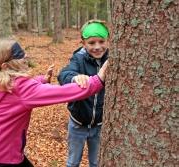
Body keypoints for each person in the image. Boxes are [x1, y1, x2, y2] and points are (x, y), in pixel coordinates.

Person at [0, 38, 108, 167]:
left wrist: (41, 80)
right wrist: (97, 81)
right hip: (2, 157)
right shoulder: (20, 89)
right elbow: (62, 92)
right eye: (20, 56)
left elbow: (21, 90)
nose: (26, 56)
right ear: (5, 66)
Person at [57, 20, 110, 167]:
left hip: (100, 125)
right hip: (77, 124)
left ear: (108, 40)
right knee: (73, 162)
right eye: (92, 43)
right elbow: (64, 75)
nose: (97, 47)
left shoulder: (112, 59)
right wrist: (75, 77)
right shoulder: (79, 59)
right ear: (83, 43)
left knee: (97, 162)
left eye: (101, 41)